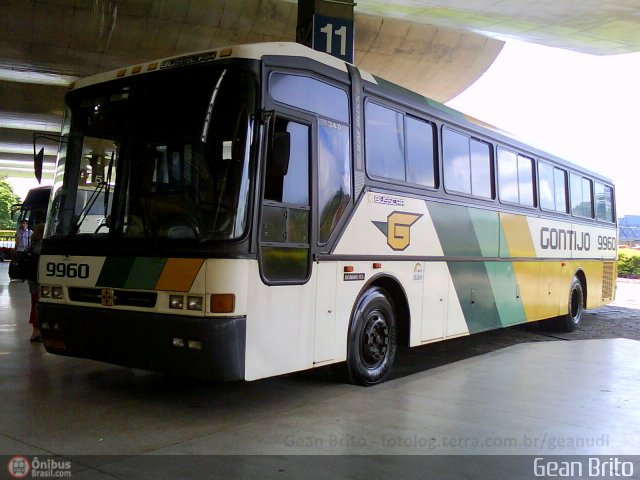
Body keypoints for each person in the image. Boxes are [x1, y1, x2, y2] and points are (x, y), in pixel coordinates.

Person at [26, 223, 45, 342]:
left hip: (32, 279)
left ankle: (36, 332)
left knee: (35, 304)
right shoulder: (40, 245)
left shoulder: (32, 244)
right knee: (37, 306)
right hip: (38, 279)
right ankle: (36, 333)